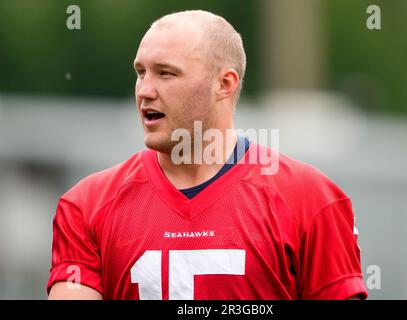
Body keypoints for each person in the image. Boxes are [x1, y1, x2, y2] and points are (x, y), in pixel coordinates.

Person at [47, 10, 368, 300]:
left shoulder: (309, 199)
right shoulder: (87, 205)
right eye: (141, 72)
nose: (144, 89)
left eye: (166, 73)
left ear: (224, 84)